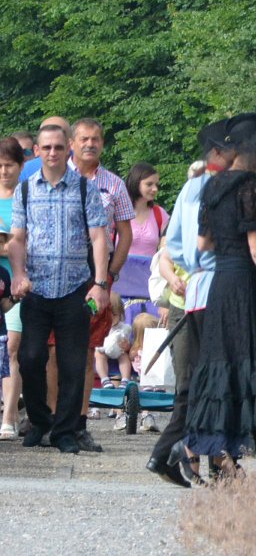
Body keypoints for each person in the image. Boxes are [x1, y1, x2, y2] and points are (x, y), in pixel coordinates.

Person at [182, 112, 256, 474]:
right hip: (245, 286)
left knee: (217, 363)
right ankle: (223, 454)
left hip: (219, 284)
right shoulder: (251, 186)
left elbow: (203, 243)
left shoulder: (212, 185)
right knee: (243, 361)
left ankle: (203, 451)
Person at [8, 124, 109, 453]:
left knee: (72, 362)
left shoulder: (84, 189)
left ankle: (65, 431)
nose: (53, 153)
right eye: (46, 147)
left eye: (58, 147)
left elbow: (98, 237)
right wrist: (19, 275)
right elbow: (18, 239)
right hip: (36, 290)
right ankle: (39, 420)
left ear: (68, 149)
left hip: (74, 288)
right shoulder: (25, 190)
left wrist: (101, 283)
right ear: (36, 151)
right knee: (30, 356)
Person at [146, 118, 233, 488]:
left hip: (198, 293)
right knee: (206, 382)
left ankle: (181, 453)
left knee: (202, 383)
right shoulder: (214, 190)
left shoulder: (190, 191)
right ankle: (192, 454)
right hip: (210, 294)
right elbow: (182, 249)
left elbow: (176, 247)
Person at [66, 118, 134, 452]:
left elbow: (125, 234)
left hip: (96, 278)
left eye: (95, 139)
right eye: (83, 139)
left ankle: (78, 422)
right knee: (49, 350)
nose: (90, 144)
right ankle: (49, 418)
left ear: (102, 144)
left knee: (87, 347)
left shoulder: (115, 184)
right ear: (72, 143)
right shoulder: (55, 177)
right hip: (58, 275)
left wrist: (109, 276)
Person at [117, 162, 169, 325]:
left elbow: (166, 254)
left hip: (149, 291)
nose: (155, 189)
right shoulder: (117, 212)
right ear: (135, 182)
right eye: (149, 184)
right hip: (119, 290)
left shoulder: (160, 215)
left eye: (156, 185)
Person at [0, 137, 23, 440]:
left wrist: (8, 249)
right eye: (0, 166)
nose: (4, 171)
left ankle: (10, 415)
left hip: (17, 282)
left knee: (13, 348)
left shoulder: (27, 198)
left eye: (9, 165)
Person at [95, 292, 131, 390]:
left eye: (114, 315)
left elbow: (127, 342)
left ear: (120, 314)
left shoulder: (122, 327)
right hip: (103, 349)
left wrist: (126, 346)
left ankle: (125, 380)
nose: (110, 319)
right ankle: (105, 379)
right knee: (99, 355)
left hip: (117, 350)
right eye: (107, 315)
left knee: (124, 357)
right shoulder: (99, 325)